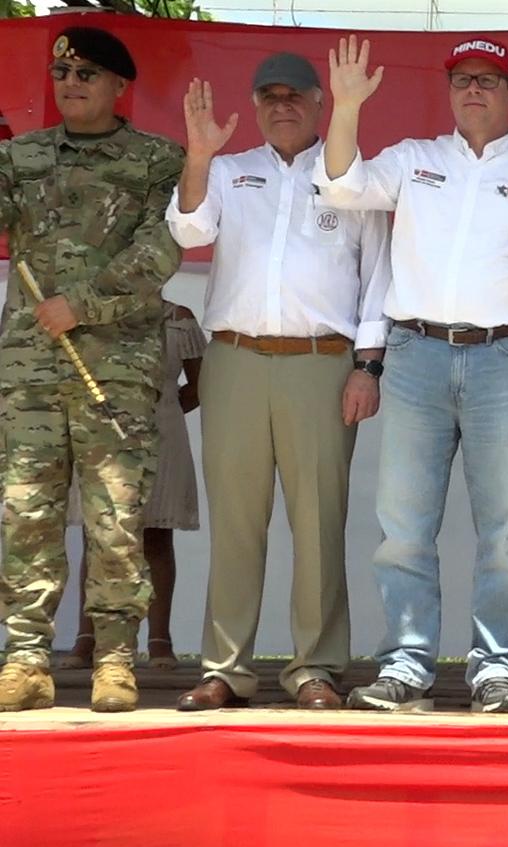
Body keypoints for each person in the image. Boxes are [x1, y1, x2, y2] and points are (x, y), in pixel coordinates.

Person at [315, 35, 508, 714]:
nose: (474, 90)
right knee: (403, 524)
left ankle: (495, 669)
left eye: (488, 80)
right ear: (449, 91)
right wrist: (345, 107)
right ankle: (405, 665)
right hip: (416, 355)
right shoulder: (413, 158)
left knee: (506, 531)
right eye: (463, 79)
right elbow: (342, 184)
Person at [165, 53, 391, 711]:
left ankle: (315, 666)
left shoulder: (350, 178)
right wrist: (200, 155)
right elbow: (187, 228)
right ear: (256, 104)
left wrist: (367, 366)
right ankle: (225, 667)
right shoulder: (230, 173)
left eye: (296, 95)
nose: (282, 105)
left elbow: (378, 278)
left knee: (319, 521)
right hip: (233, 360)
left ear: (322, 103)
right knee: (235, 520)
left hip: (323, 363)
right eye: (270, 94)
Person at [0, 26, 183, 713]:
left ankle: (113, 657)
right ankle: (25, 657)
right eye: (60, 72)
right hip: (30, 368)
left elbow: (158, 252)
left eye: (85, 72)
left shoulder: (158, 161)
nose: (70, 82)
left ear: (117, 86)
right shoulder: (21, 157)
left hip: (116, 367)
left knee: (115, 517)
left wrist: (81, 305)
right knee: (27, 515)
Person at [60, 301, 203, 675]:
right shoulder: (87, 313)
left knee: (157, 536)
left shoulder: (178, 319)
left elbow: (202, 385)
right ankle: (87, 638)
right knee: (100, 537)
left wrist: (162, 409)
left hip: (163, 434)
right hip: (101, 434)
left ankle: (159, 640)